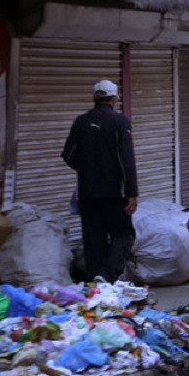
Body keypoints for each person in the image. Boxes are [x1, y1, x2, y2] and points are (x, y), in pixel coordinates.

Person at [62, 80, 137, 282]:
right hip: (115, 193)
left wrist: (87, 169)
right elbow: (126, 160)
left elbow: (68, 155)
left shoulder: (80, 122)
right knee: (123, 234)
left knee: (93, 240)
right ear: (114, 99)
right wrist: (132, 192)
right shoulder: (120, 122)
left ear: (95, 98)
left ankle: (95, 282)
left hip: (87, 193)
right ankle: (107, 274)